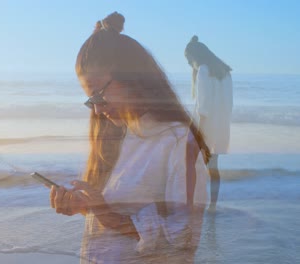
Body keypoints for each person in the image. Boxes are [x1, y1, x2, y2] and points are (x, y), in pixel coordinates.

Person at [48, 12, 211, 263]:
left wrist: (108, 216)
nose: (97, 109)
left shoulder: (178, 142)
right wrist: (86, 206)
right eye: (90, 100)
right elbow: (121, 212)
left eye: (99, 95)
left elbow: (183, 237)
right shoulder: (118, 137)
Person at [185, 35, 233, 210]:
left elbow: (203, 107)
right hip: (220, 126)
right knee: (213, 167)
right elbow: (229, 104)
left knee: (189, 163)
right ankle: (212, 205)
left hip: (204, 126)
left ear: (195, 56)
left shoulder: (203, 70)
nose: (189, 64)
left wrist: (194, 129)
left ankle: (190, 203)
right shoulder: (225, 73)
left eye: (189, 60)